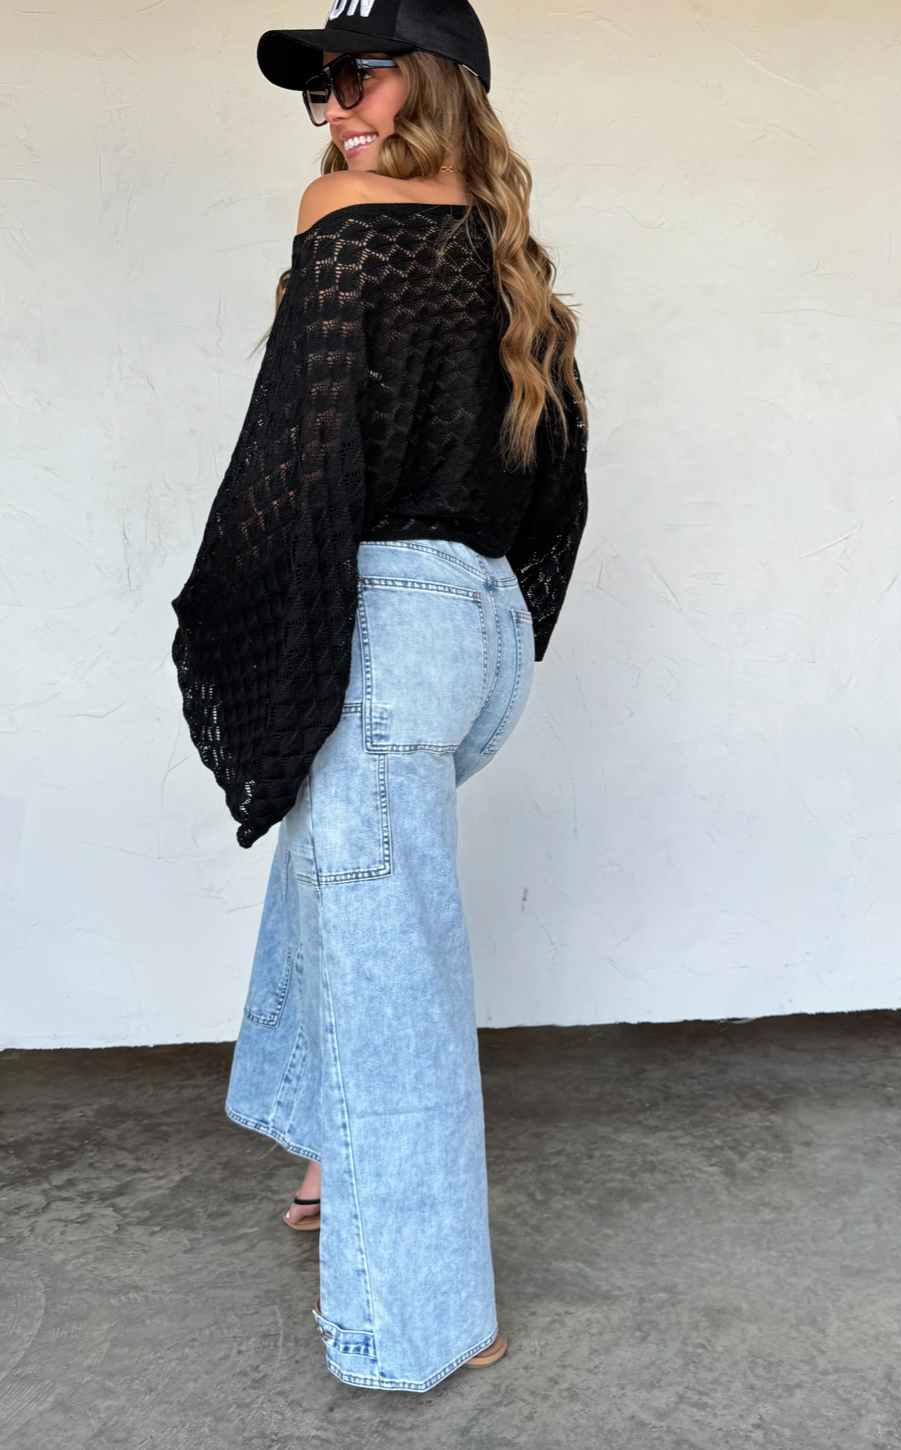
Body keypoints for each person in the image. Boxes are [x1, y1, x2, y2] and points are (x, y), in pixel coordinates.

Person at [170, 0, 589, 1394]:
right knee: (345, 877)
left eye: (356, 73)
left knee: (393, 964)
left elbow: (299, 458)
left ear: (438, 83)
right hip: (476, 628)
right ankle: (324, 1141)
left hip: (393, 620)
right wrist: (474, 627)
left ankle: (424, 1316)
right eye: (319, 88)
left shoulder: (341, 213)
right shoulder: (509, 250)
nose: (333, 108)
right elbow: (556, 488)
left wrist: (241, 614)